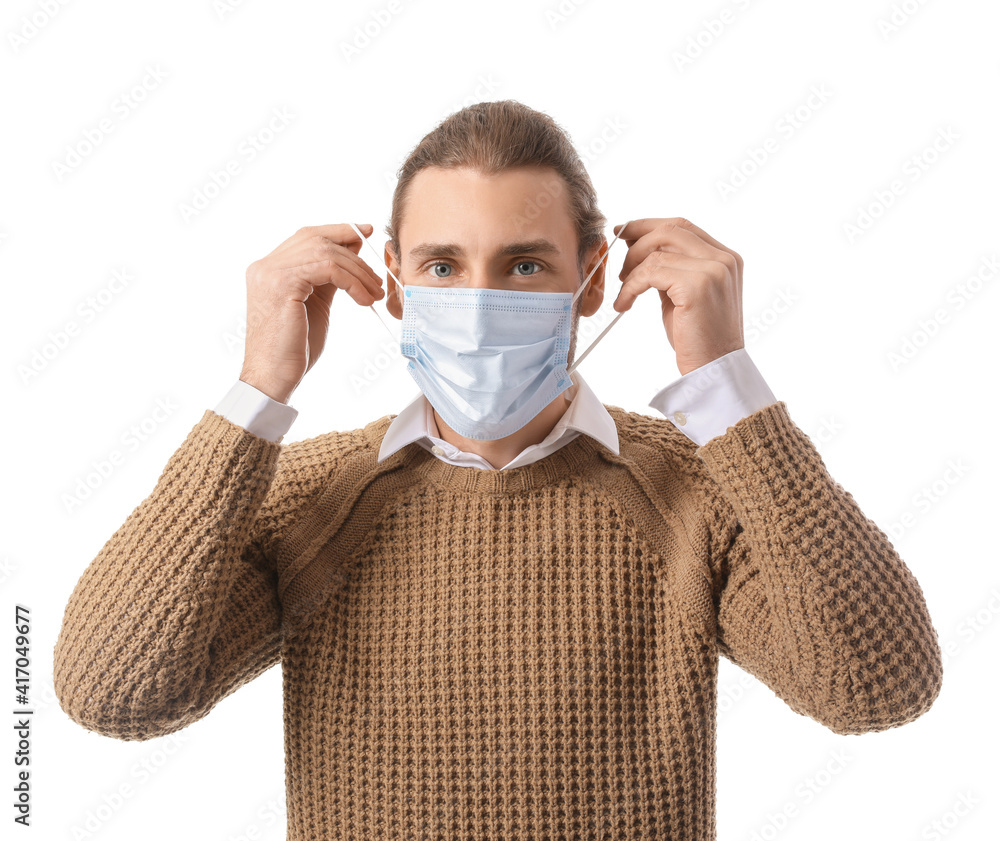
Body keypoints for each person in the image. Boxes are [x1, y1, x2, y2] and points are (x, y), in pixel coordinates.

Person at [53, 99, 943, 841]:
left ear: (592, 281)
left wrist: (727, 389)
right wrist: (258, 390)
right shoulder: (317, 497)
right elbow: (110, 689)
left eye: (524, 264)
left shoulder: (695, 493)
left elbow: (877, 686)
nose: (479, 303)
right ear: (394, 282)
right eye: (444, 265)